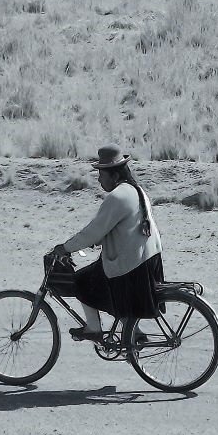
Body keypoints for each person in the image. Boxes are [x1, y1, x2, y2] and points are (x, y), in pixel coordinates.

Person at [51, 145, 164, 342]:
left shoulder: (118, 197)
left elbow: (93, 231)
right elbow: (121, 227)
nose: (99, 179)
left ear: (113, 175)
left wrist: (65, 248)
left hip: (132, 263)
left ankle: (94, 329)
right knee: (100, 280)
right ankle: (132, 332)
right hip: (148, 258)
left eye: (101, 174)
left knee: (81, 281)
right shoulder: (136, 190)